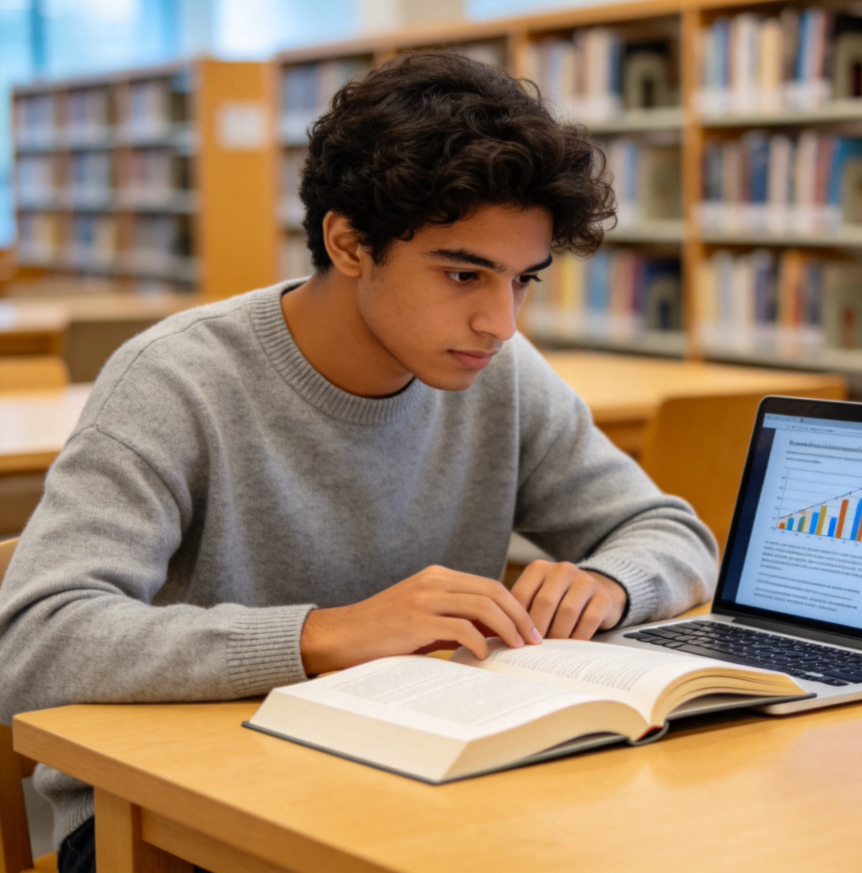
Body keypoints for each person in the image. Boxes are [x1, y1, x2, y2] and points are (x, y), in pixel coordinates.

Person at [0, 50, 717, 872]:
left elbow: (669, 529)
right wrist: (321, 635)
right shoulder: (176, 379)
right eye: (462, 274)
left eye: (523, 282)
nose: (500, 322)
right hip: (168, 818)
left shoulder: (500, 375)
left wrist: (616, 580)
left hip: (423, 782)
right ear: (348, 242)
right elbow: (28, 645)